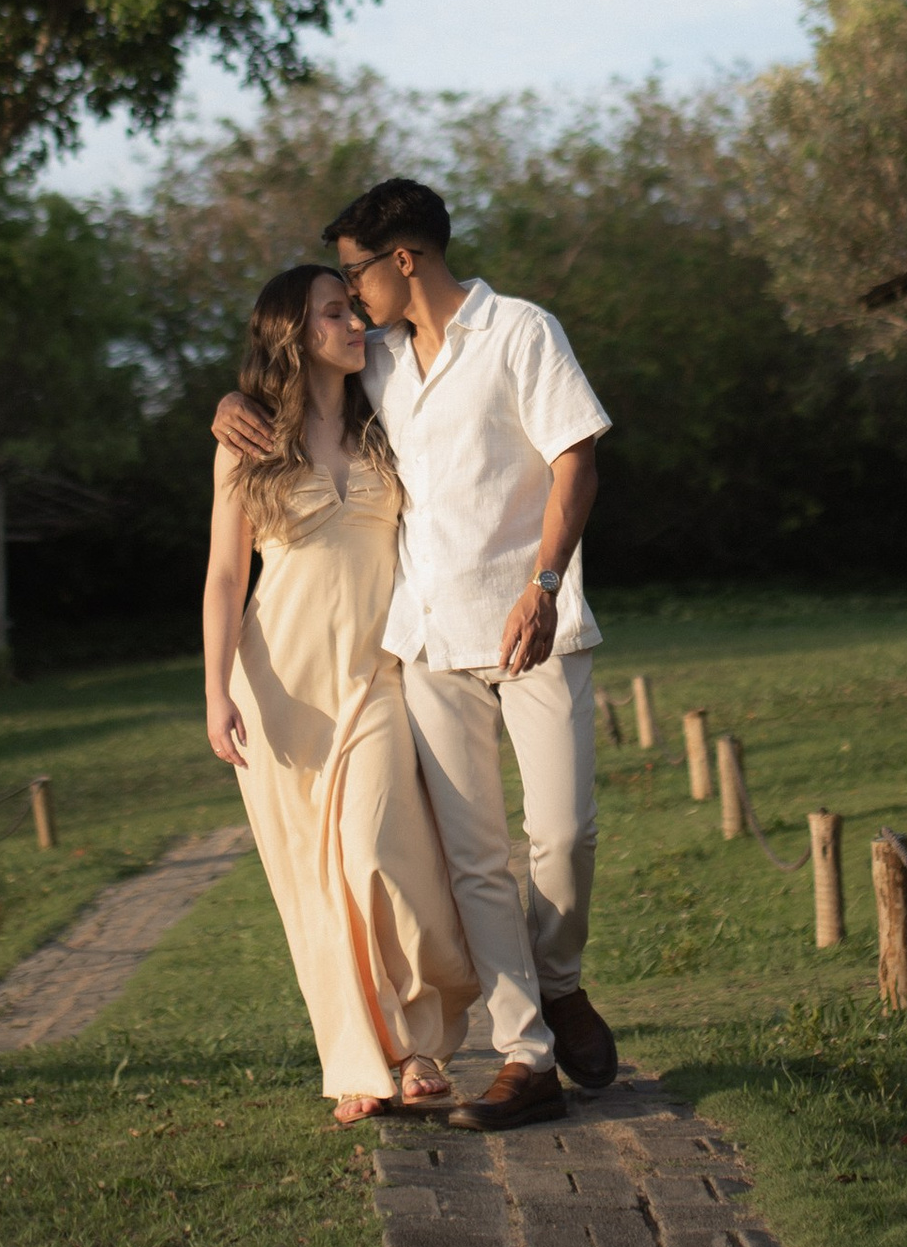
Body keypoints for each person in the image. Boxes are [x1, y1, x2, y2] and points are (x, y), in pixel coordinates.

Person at [215, 176, 617, 1132]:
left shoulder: (521, 331)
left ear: (405, 260)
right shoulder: (379, 360)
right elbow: (287, 380)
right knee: (475, 859)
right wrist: (228, 399)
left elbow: (578, 461)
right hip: (429, 639)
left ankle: (557, 985)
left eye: (356, 274)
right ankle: (525, 1058)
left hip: (534, 627)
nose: (350, 298)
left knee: (564, 833)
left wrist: (545, 585)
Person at [204, 263, 479, 1125]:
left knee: (378, 855)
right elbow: (222, 576)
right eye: (334, 313)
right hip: (279, 681)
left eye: (352, 309)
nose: (354, 323)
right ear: (293, 332)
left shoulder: (386, 412)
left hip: (374, 673)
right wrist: (215, 690)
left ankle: (421, 1041)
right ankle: (364, 1062)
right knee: (309, 884)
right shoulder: (242, 440)